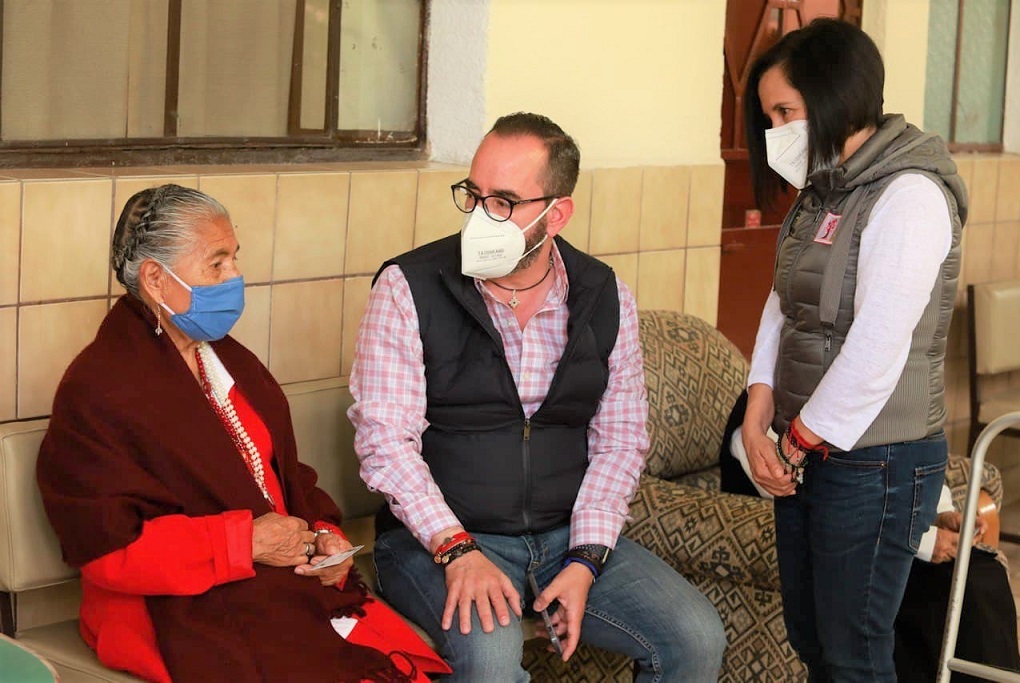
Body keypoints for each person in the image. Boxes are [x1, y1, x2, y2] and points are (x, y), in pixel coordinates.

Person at [348, 112, 726, 682]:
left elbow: (620, 440)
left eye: (503, 202)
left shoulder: (603, 295)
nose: (481, 217)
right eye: (472, 196)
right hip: (440, 539)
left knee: (695, 638)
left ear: (557, 213)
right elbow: (384, 441)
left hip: (565, 535)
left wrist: (587, 556)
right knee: (493, 661)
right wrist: (456, 548)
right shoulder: (409, 286)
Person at [37, 185, 448, 683]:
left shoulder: (227, 360)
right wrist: (244, 543)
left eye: (234, 259)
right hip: (168, 606)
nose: (235, 277)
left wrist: (323, 538)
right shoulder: (98, 390)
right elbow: (108, 550)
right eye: (217, 264)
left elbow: (282, 474)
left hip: (271, 581)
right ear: (155, 279)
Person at [741, 18, 968, 682]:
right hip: (810, 447)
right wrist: (759, 405)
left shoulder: (911, 194)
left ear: (835, 96)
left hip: (879, 459)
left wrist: (796, 441)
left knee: (854, 652)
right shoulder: (825, 188)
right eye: (769, 115)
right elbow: (784, 299)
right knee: (814, 640)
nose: (776, 130)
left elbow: (878, 346)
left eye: (786, 111)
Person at [720, 393, 1020, 682]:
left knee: (982, 573)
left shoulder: (861, 392)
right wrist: (925, 541)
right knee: (928, 598)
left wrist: (940, 512)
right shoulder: (765, 420)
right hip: (847, 546)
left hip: (888, 527)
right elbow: (812, 495)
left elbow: (902, 458)